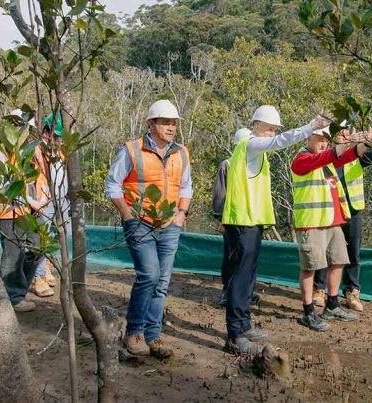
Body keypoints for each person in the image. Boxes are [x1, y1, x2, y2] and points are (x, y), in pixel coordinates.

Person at [221, 105, 330, 355]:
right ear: (256, 125)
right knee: (240, 276)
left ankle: (244, 325)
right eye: (269, 129)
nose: (272, 134)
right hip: (242, 220)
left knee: (248, 276)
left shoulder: (256, 152)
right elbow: (280, 142)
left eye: (274, 130)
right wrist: (309, 127)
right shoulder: (249, 144)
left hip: (253, 220)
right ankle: (235, 335)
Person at [105, 99, 192, 359]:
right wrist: (127, 214)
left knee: (162, 281)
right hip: (140, 222)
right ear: (151, 124)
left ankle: (153, 336)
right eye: (165, 122)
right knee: (149, 275)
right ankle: (134, 331)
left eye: (174, 123)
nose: (171, 127)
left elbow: (186, 186)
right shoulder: (132, 150)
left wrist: (181, 214)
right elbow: (112, 184)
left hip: (169, 224)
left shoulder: (181, 153)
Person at [290, 127, 372, 331]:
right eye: (319, 140)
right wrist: (349, 142)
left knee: (338, 261)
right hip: (312, 222)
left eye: (325, 140)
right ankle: (308, 312)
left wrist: (365, 143)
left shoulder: (327, 160)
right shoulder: (301, 159)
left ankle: (332, 305)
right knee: (310, 267)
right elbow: (331, 155)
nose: (323, 144)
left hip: (333, 222)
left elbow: (350, 156)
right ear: (308, 138)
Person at [312, 135, 372, 311]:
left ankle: (352, 291)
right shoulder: (327, 155)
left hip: (352, 210)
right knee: (325, 252)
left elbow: (369, 156)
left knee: (352, 253)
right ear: (333, 138)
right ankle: (319, 290)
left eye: (347, 133)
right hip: (331, 211)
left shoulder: (355, 155)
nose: (345, 137)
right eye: (341, 134)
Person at [0, 109, 49, 313]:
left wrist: (42, 200)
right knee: (12, 255)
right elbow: (2, 184)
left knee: (39, 247)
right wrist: (27, 200)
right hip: (10, 210)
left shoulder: (32, 151)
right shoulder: (1, 149)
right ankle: (13, 297)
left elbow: (41, 178)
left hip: (32, 210)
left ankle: (17, 289)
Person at [212, 128, 259, 307]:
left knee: (249, 257)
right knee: (231, 256)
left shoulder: (253, 165)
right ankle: (227, 291)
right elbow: (221, 193)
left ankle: (247, 291)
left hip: (251, 218)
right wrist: (222, 220)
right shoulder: (228, 164)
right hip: (232, 219)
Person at [30, 113, 68, 298]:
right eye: (55, 136)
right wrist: (35, 202)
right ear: (46, 132)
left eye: (59, 137)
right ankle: (39, 278)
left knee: (55, 238)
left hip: (61, 202)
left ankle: (47, 270)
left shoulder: (60, 153)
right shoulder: (36, 151)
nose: (57, 140)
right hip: (43, 202)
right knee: (42, 240)